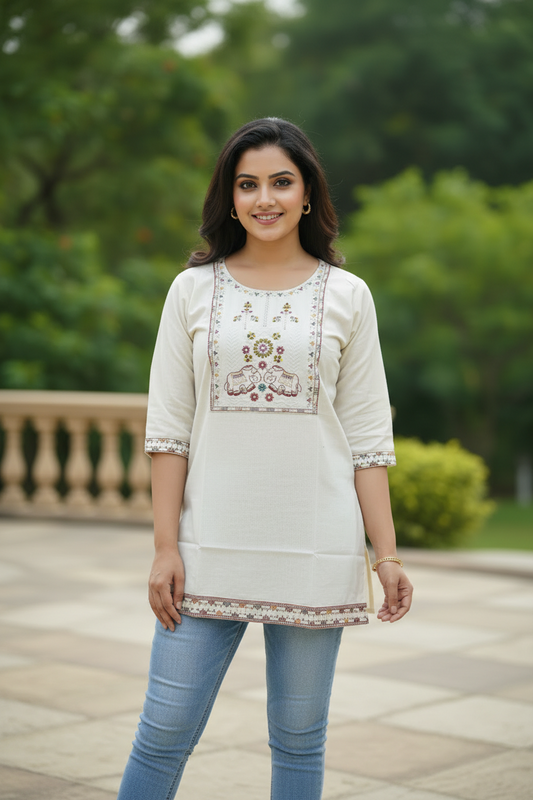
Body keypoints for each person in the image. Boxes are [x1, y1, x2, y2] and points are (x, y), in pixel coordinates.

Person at [117, 117, 413, 800]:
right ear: (229, 197)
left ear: (308, 193)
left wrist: (386, 555)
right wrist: (166, 547)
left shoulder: (347, 295)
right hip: (207, 547)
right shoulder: (191, 291)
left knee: (299, 742)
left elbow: (367, 437)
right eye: (246, 184)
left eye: (281, 181)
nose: (264, 198)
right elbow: (169, 430)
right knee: (162, 733)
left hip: (314, 547)